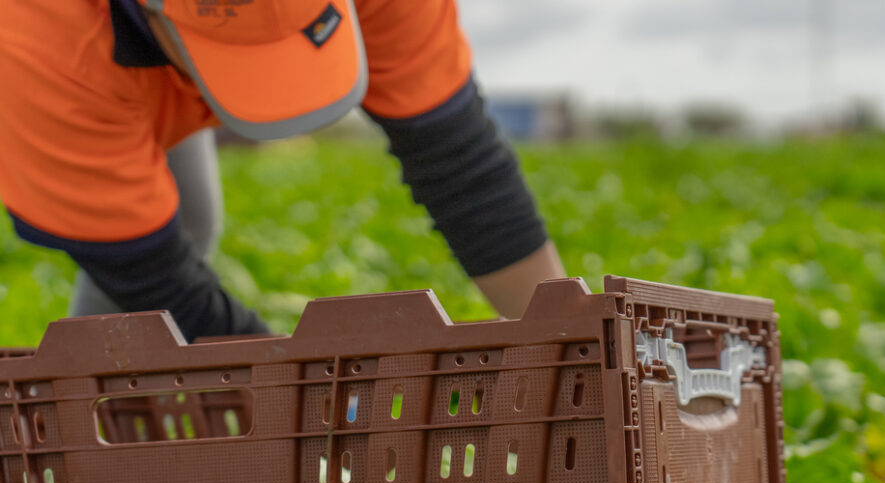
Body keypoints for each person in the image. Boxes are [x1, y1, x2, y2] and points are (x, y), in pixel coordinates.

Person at [0, 0, 566, 342]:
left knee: (192, 215)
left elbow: (461, 162)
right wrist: (304, 399)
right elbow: (150, 275)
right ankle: (82, 441)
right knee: (170, 231)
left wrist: (569, 337)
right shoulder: (42, 49)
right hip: (76, 69)